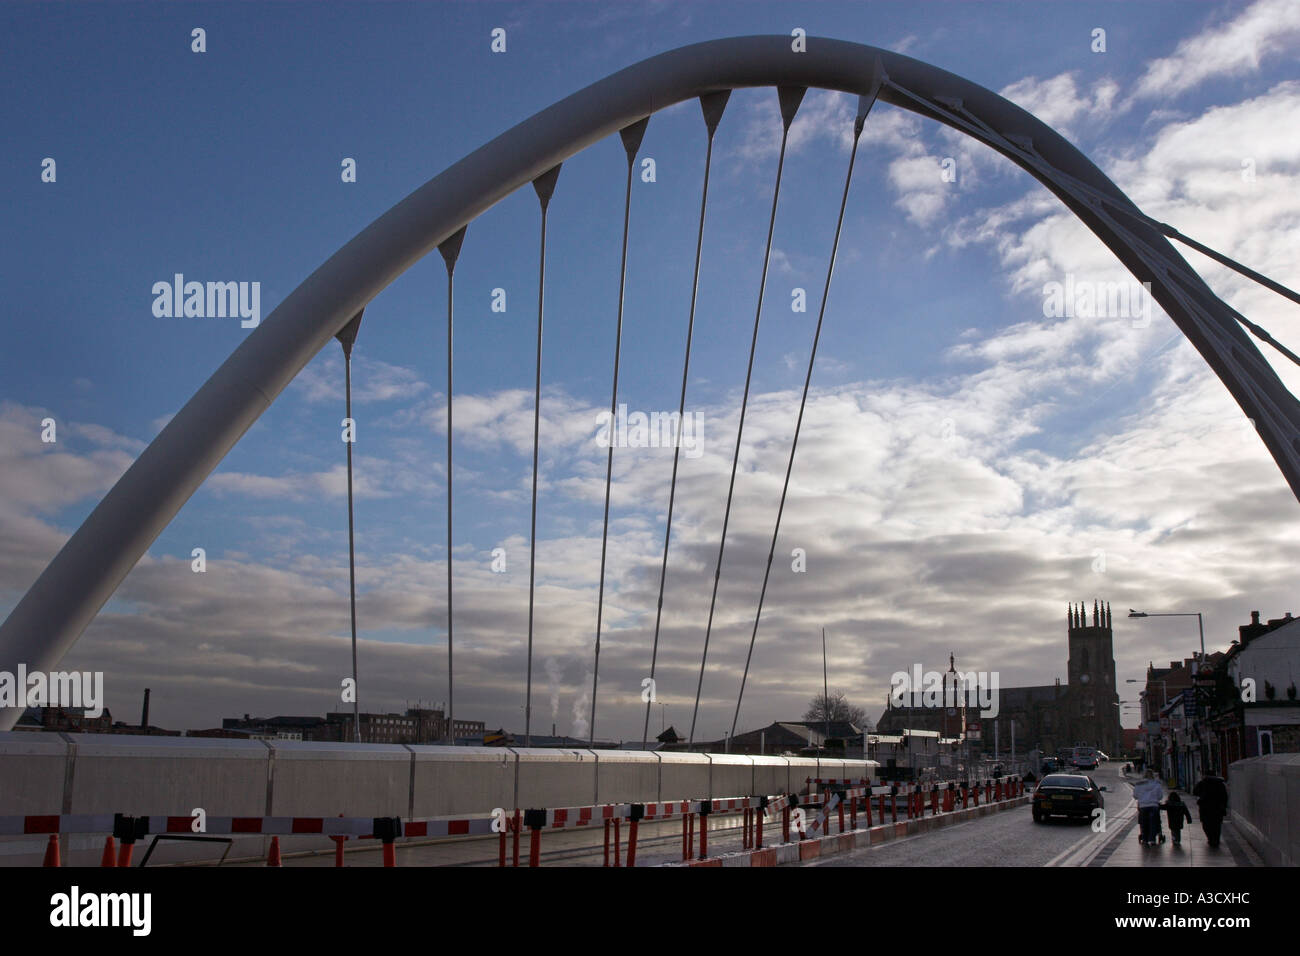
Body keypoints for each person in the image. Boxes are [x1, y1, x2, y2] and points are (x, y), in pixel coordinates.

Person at [1192, 770, 1229, 848]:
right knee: (1217, 824)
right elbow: (1224, 796)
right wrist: (1224, 806)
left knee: (1206, 824)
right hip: (1217, 808)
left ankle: (1210, 838)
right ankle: (1216, 839)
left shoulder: (1202, 783)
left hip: (1205, 808)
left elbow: (1195, 791)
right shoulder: (1220, 783)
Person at [1133, 769, 1165, 846]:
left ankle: (1145, 839)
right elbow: (1160, 796)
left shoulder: (1139, 784)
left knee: (1143, 823)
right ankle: (1152, 840)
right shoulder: (1157, 784)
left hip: (1143, 806)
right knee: (1154, 823)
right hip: (1154, 805)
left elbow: (1135, 796)